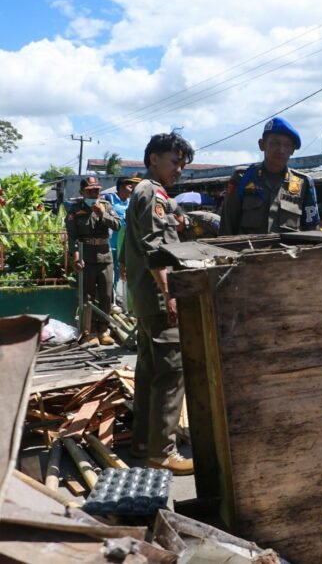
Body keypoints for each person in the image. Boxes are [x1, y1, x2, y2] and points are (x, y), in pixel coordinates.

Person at [124, 132, 195, 476]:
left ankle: (142, 442)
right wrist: (170, 296)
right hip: (157, 295)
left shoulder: (145, 192)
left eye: (182, 163)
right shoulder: (152, 193)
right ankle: (162, 451)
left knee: (149, 371)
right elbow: (156, 249)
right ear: (153, 158)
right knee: (171, 372)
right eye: (174, 161)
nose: (179, 168)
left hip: (145, 295)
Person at [218, 117, 319, 235]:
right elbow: (227, 226)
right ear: (262, 145)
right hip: (248, 252)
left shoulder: (304, 183)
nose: (281, 150)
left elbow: (312, 231)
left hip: (287, 253)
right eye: (275, 143)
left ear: (292, 151)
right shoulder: (242, 178)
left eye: (287, 145)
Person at [65, 176, 121, 345]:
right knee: (87, 295)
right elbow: (72, 237)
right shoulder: (75, 210)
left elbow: (117, 225)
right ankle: (89, 331)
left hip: (105, 255)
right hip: (86, 256)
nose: (94, 194)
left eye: (96, 190)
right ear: (82, 192)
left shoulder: (106, 206)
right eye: (90, 191)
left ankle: (103, 330)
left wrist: (102, 214)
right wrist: (75, 257)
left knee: (106, 294)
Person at [102, 175, 138, 290]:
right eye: (130, 186)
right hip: (110, 243)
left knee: (119, 269)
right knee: (109, 270)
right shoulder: (108, 199)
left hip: (124, 243)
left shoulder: (131, 202)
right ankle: (110, 298)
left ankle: (116, 297)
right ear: (121, 187)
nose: (132, 189)